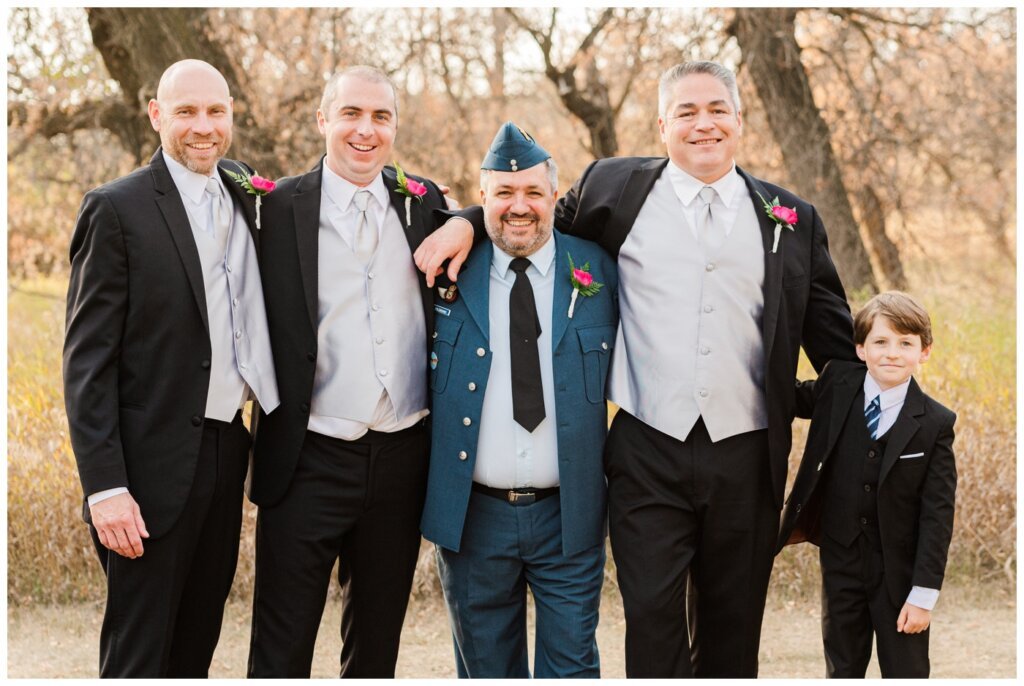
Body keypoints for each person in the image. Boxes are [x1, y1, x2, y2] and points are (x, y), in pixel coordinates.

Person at [415, 60, 858, 677]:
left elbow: (839, 350)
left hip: (748, 454)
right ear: (661, 124)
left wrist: (843, 401)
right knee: (651, 626)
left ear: (740, 120)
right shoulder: (615, 190)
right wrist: (466, 220)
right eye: (686, 112)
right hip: (647, 451)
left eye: (716, 110)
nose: (703, 125)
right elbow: (525, 217)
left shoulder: (791, 218)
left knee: (734, 634)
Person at [63, 59, 279, 677]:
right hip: (145, 470)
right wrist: (105, 488)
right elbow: (86, 364)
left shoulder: (245, 191)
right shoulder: (115, 209)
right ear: (156, 115)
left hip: (225, 450)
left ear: (231, 115)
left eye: (215, 111)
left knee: (195, 647)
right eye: (185, 111)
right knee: (139, 654)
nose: (203, 126)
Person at [246, 65, 452, 678]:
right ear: (323, 121)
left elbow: (485, 219)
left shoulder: (425, 203)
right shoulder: (275, 208)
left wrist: (466, 218)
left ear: (394, 126)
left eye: (381, 117)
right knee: (281, 647)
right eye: (351, 115)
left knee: (376, 648)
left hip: (402, 456)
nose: (366, 130)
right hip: (307, 455)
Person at [420, 122, 618, 678]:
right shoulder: (445, 270)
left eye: (533, 192)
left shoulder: (600, 267)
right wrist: (460, 224)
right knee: (486, 671)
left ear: (555, 195)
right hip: (472, 517)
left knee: (572, 668)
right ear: (481, 197)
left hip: (570, 515)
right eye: (503, 193)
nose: (519, 206)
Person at [777, 291, 957, 678]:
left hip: (900, 575)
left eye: (905, 343)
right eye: (880, 341)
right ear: (860, 349)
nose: (892, 353)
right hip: (841, 561)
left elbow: (937, 515)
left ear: (924, 351)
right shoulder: (836, 385)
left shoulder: (936, 423)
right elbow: (783, 394)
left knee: (905, 670)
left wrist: (923, 596)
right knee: (842, 667)